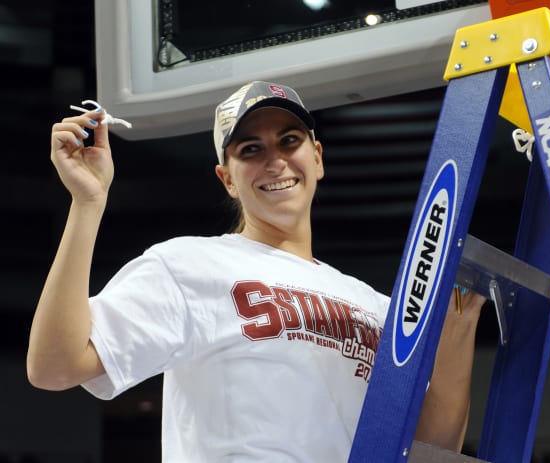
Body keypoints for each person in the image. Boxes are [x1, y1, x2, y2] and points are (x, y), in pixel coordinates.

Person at [27, 81, 485, 462]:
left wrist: (460, 323)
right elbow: (55, 367)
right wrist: (88, 204)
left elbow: (432, 446)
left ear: (318, 158)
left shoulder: (379, 307)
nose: (276, 160)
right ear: (227, 179)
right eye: (250, 149)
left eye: (290, 140)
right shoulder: (189, 265)